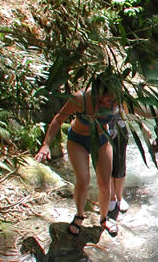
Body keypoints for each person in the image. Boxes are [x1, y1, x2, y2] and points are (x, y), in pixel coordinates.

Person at [35, 77, 119, 237]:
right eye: (107, 98)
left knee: (104, 183)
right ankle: (79, 215)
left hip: (102, 140)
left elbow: (140, 110)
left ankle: (103, 219)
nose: (110, 102)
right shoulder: (80, 99)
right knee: (83, 179)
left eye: (114, 98)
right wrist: (46, 144)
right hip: (78, 140)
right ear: (97, 93)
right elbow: (58, 119)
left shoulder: (118, 99)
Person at [109, 115, 130, 213]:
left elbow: (129, 111)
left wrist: (143, 126)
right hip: (101, 130)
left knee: (120, 165)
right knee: (106, 167)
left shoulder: (120, 100)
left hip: (120, 130)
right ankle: (111, 197)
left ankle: (119, 197)